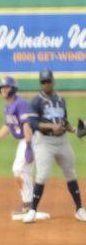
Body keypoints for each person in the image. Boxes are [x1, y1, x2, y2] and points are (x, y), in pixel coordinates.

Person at [22, 69, 86, 223]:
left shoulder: (61, 100)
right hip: (45, 143)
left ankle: (79, 210)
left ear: (52, 81)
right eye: (43, 82)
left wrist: (76, 131)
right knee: (42, 176)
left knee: (71, 173)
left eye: (48, 81)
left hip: (62, 142)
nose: (46, 84)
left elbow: (64, 122)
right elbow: (33, 123)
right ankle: (32, 210)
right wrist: (51, 127)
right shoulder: (36, 100)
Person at [0, 76, 47, 221]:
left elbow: (26, 125)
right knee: (23, 170)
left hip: (33, 138)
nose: (4, 90)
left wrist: (29, 147)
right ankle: (30, 206)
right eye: (2, 88)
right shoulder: (8, 107)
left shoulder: (21, 104)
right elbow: (8, 126)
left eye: (7, 87)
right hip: (26, 140)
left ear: (13, 88)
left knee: (19, 169)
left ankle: (28, 206)